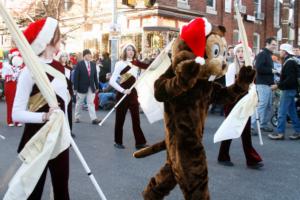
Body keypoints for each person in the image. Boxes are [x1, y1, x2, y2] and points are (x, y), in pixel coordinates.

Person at [12, 17, 71, 199]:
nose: (61, 40)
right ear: (48, 40)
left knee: (61, 189)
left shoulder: (60, 67)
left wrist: (67, 132)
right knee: (34, 191)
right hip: (36, 138)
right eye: (59, 36)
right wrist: (44, 117)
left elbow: (66, 106)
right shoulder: (28, 71)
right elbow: (16, 114)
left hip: (60, 138)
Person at [217, 43, 263, 169]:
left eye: (244, 51)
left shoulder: (251, 68)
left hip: (245, 102)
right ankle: (223, 156)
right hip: (232, 102)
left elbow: (253, 87)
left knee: (246, 131)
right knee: (230, 129)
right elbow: (230, 87)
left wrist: (254, 98)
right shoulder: (232, 67)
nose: (241, 54)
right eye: (239, 51)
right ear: (235, 54)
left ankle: (251, 159)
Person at [109, 43, 149, 149]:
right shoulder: (120, 63)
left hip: (133, 94)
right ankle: (118, 141)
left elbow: (150, 67)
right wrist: (123, 90)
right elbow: (112, 81)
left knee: (136, 119)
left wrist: (161, 57)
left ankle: (140, 142)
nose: (130, 52)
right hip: (122, 95)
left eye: (132, 50)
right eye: (128, 50)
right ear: (125, 51)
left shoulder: (136, 63)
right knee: (120, 119)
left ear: (134, 52)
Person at [268, 44, 300, 140]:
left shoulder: (289, 62)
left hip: (287, 90)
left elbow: (290, 79)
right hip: (291, 89)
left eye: (281, 50)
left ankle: (280, 133)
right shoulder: (292, 61)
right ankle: (298, 131)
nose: (280, 52)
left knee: (281, 112)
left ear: (285, 52)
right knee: (292, 112)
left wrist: (277, 85)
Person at [251, 37, 277, 134]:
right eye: (273, 44)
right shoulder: (262, 54)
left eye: (275, 44)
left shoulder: (268, 55)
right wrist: (271, 70)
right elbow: (258, 68)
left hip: (268, 84)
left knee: (268, 106)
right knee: (262, 105)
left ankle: (263, 124)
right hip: (262, 84)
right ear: (267, 44)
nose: (275, 46)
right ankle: (251, 126)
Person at [73, 49, 101, 124]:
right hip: (81, 87)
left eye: (90, 54)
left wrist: (97, 87)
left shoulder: (93, 64)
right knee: (79, 103)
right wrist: (75, 88)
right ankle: (77, 117)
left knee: (91, 103)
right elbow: (76, 77)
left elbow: (95, 76)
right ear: (84, 56)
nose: (90, 56)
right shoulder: (79, 64)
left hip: (91, 87)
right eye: (88, 55)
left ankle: (94, 119)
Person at [2, 49, 23, 127]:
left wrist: (20, 74)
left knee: (18, 104)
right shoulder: (7, 66)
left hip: (18, 86)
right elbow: (4, 77)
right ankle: (10, 120)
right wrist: (13, 75)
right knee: (10, 104)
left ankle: (17, 121)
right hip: (10, 86)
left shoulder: (20, 67)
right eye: (14, 57)